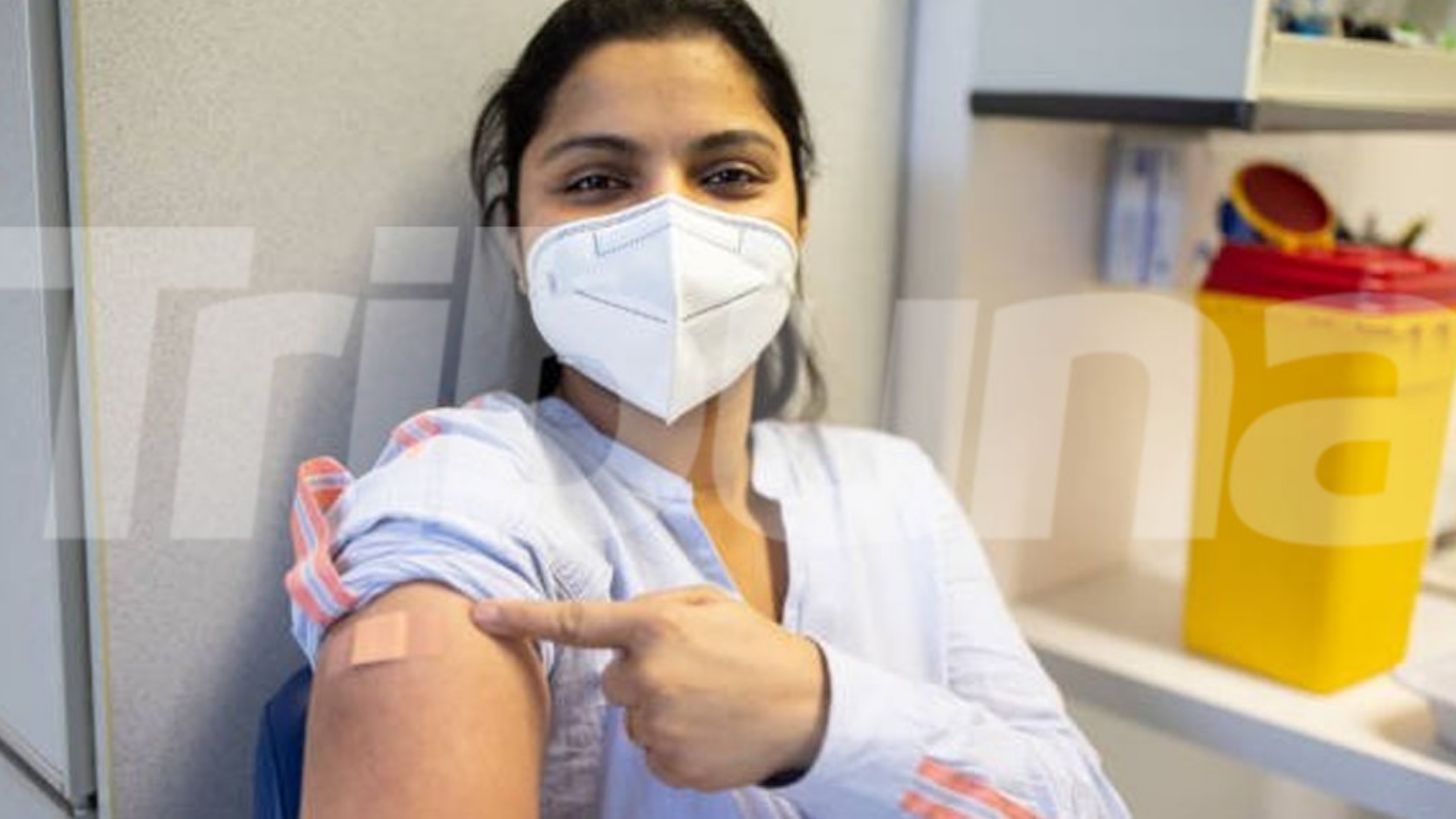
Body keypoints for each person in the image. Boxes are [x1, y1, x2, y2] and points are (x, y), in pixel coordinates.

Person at [285, 1, 1131, 817]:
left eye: (728, 176)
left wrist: (819, 716)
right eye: (596, 181)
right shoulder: (461, 500)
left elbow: (1086, 804)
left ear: (800, 218)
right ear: (516, 241)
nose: (671, 228)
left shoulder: (891, 485)